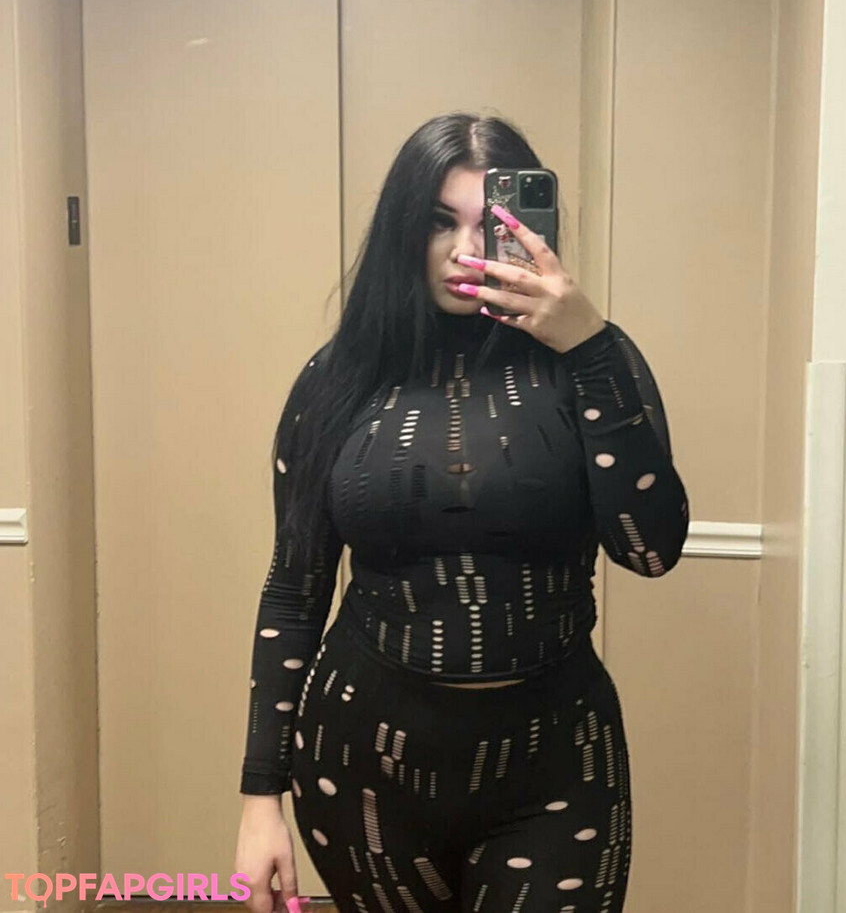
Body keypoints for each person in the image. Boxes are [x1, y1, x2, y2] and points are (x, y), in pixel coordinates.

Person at [234, 112, 690, 913]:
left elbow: (650, 548)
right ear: (402, 231)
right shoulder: (336, 380)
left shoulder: (589, 361)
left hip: (556, 763)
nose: (463, 248)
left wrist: (589, 345)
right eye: (439, 222)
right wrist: (259, 797)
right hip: (361, 762)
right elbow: (293, 592)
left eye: (492, 224)